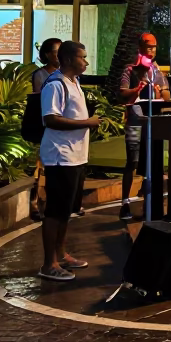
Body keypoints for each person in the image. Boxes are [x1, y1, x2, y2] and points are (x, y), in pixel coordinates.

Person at [38, 40, 100, 281]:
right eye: (82, 57)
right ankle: (48, 264)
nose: (85, 62)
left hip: (75, 156)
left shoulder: (75, 83)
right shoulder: (55, 85)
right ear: (67, 60)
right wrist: (88, 122)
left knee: (66, 211)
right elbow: (50, 119)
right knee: (55, 211)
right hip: (60, 157)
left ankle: (61, 254)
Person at [118, 32, 171, 220]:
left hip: (152, 123)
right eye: (148, 47)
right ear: (140, 48)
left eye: (154, 47)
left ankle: (150, 203)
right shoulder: (130, 69)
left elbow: (166, 97)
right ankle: (125, 203)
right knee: (132, 162)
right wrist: (137, 89)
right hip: (135, 121)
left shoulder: (157, 71)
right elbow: (123, 93)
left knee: (152, 163)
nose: (152, 50)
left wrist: (158, 93)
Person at [29, 38, 63, 220]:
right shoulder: (40, 75)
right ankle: (34, 202)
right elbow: (38, 101)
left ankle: (52, 203)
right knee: (40, 166)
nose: (59, 56)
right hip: (44, 125)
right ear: (48, 54)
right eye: (57, 52)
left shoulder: (65, 74)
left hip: (61, 126)